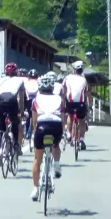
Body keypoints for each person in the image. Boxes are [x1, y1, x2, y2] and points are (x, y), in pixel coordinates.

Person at [30, 72, 63, 202]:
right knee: (56, 145)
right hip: (56, 127)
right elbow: (63, 117)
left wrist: (35, 132)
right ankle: (56, 164)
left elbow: (34, 121)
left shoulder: (35, 100)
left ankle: (35, 189)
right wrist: (63, 132)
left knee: (37, 159)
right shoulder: (59, 99)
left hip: (41, 127)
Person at [0, 61, 26, 164]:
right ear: (16, 72)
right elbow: (21, 98)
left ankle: (0, 152)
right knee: (15, 123)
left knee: (1, 129)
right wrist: (20, 110)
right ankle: (16, 145)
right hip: (12, 101)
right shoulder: (20, 80)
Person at [62, 60, 90, 150]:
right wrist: (87, 104)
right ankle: (81, 139)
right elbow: (86, 93)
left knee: (70, 116)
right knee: (81, 120)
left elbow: (63, 89)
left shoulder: (67, 78)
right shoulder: (84, 79)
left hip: (70, 102)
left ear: (74, 70)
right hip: (80, 103)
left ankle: (69, 134)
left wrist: (64, 99)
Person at [23, 68, 39, 143]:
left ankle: (27, 133)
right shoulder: (39, 82)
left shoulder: (26, 82)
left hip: (28, 101)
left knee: (28, 117)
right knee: (36, 118)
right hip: (36, 101)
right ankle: (35, 132)